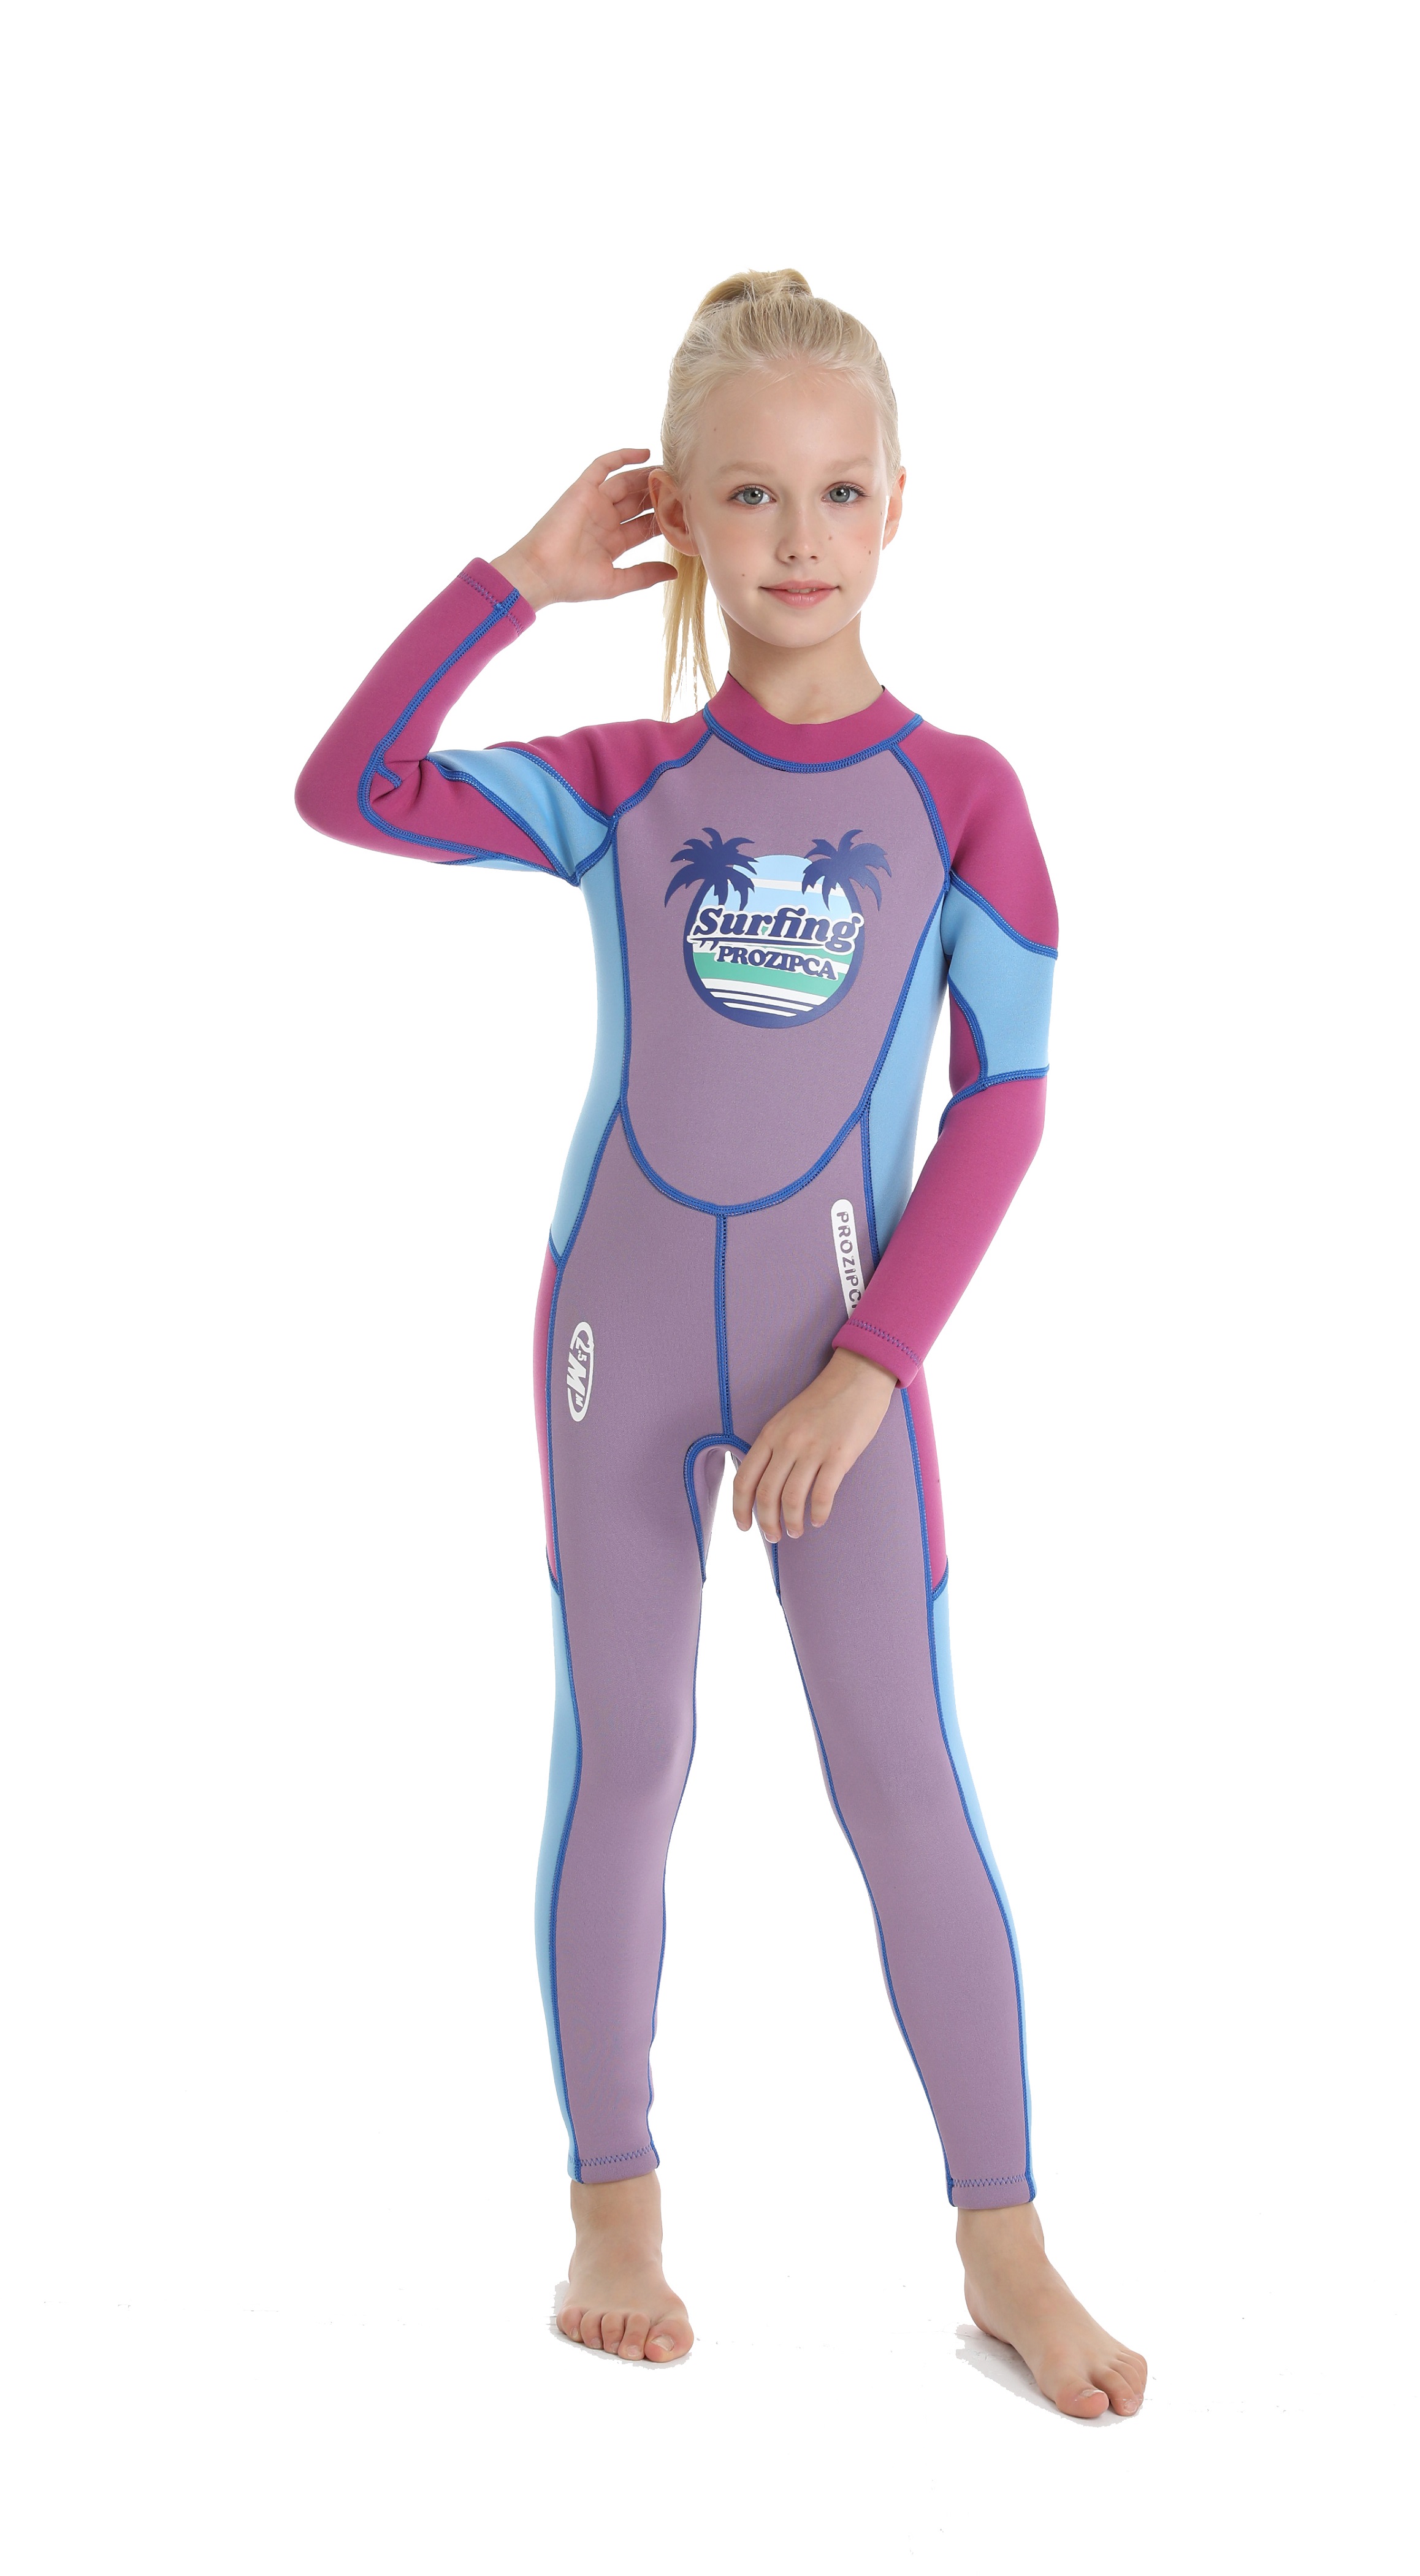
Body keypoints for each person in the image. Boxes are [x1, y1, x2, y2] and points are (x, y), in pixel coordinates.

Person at [295, 271, 1143, 2417]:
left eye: (840, 490)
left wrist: (871, 1368)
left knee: (903, 1776)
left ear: (899, 506)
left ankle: (1008, 2242)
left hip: (842, 1369)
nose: (798, 535)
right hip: (615, 1340)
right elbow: (347, 786)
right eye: (747, 494)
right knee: (630, 1757)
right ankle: (615, 2204)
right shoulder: (625, 782)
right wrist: (518, 582)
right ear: (677, 512)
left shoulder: (964, 797)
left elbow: (1011, 1103)